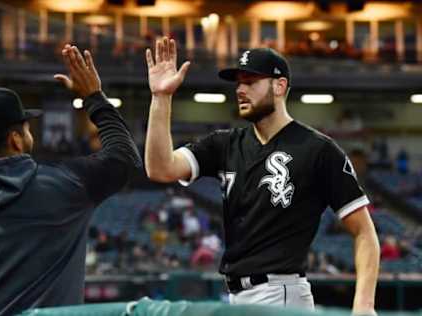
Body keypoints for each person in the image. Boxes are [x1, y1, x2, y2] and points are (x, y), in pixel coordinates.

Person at [144, 37, 379, 314]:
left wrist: (364, 305)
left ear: (279, 86)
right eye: (238, 83)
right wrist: (161, 97)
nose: (240, 90)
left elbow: (364, 233)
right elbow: (160, 168)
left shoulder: (318, 150)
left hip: (280, 293)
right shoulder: (224, 144)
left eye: (251, 81)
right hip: (236, 296)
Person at [0, 45, 141, 315]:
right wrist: (94, 97)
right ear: (15, 139)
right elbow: (125, 157)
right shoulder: (66, 185)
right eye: (25, 126)